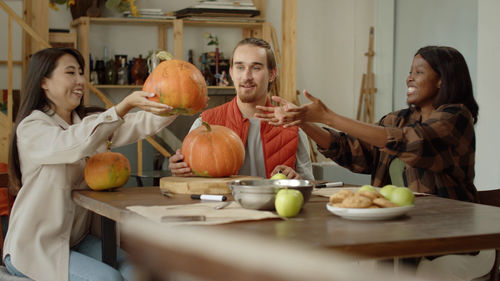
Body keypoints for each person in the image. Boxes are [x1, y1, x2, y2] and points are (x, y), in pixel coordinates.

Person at [255, 46, 494, 280]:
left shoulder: (457, 118)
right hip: (402, 239)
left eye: (419, 72)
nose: (409, 77)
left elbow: (413, 143)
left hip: (456, 242)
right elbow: (354, 151)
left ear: (442, 79)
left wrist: (329, 116)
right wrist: (303, 122)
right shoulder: (398, 119)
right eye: (410, 71)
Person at [3, 47, 178, 281]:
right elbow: (74, 143)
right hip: (36, 247)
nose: (80, 81)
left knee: (141, 273)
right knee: (109, 279)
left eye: (81, 73)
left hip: (78, 240)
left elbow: (136, 124)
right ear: (44, 81)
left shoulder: (86, 123)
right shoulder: (32, 128)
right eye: (70, 73)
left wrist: (179, 101)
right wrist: (122, 107)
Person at [169, 38, 313, 180]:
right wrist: (181, 172)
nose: (246, 76)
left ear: (272, 74)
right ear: (231, 72)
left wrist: (297, 179)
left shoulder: (293, 128)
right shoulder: (204, 124)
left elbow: (310, 185)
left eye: (256, 68)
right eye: (240, 67)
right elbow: (191, 182)